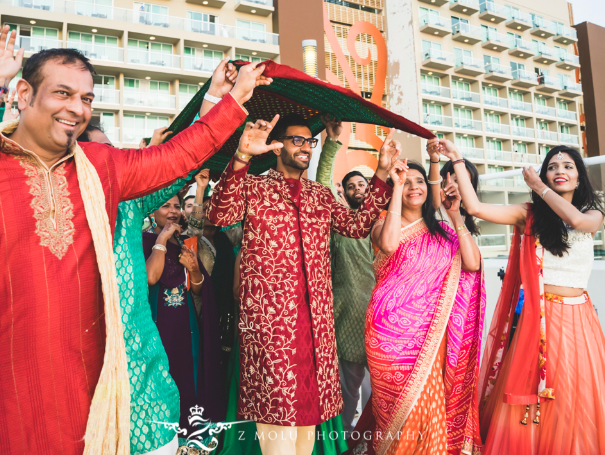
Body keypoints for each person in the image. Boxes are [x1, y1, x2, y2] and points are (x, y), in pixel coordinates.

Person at [0, 25, 265, 454]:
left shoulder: (102, 169)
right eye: (62, 94)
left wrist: (231, 102)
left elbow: (177, 158)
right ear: (23, 94)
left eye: (87, 99)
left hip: (97, 406)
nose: (77, 108)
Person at [0, 62, 196, 455]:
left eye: (111, 152)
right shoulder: (32, 206)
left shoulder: (131, 202)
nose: (107, 162)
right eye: (94, 152)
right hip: (62, 406)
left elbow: (179, 165)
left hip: (146, 402)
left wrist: (220, 103)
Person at [430, 140, 605, 455]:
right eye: (552, 166)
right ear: (545, 173)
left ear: (579, 177)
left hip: (579, 318)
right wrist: (457, 158)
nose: (560, 171)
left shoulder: (592, 214)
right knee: (537, 391)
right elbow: (475, 208)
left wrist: (539, 187)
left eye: (568, 166)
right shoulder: (528, 215)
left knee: (578, 390)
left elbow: (577, 222)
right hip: (540, 318)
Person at [206, 113, 399, 455]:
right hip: (272, 330)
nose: (306, 147)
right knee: (277, 429)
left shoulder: (320, 195)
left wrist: (382, 173)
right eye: (297, 140)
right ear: (277, 146)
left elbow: (356, 226)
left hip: (316, 332)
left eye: (309, 141)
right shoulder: (254, 186)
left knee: (306, 437)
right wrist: (242, 157)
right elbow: (219, 215)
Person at [344, 161, 485, 455]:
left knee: (425, 407)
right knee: (395, 409)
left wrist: (455, 213)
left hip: (429, 336)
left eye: (419, 181)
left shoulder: (445, 232)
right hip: (385, 333)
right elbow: (391, 244)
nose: (413, 187)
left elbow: (472, 263)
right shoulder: (381, 223)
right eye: (405, 182)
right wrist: (394, 190)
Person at [143, 193, 225, 448]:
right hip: (155, 329)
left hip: (185, 328)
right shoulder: (142, 241)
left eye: (177, 206)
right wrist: (162, 239)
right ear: (151, 212)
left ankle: (189, 441)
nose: (173, 210)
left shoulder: (185, 242)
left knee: (187, 381)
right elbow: (150, 278)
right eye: (165, 205)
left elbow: (199, 290)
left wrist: (194, 269)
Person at [314, 114, 375, 436]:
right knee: (347, 389)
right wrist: (332, 144)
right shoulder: (339, 225)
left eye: (361, 184)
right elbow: (324, 184)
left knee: (378, 392)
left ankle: (374, 439)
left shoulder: (383, 225)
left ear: (370, 189)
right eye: (350, 186)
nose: (356, 189)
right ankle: (345, 440)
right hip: (346, 315)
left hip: (382, 319)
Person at [186, 169, 240, 373]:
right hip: (201, 308)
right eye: (205, 209)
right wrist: (200, 189)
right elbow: (194, 228)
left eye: (214, 209)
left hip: (227, 311)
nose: (210, 213)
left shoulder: (228, 238)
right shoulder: (194, 239)